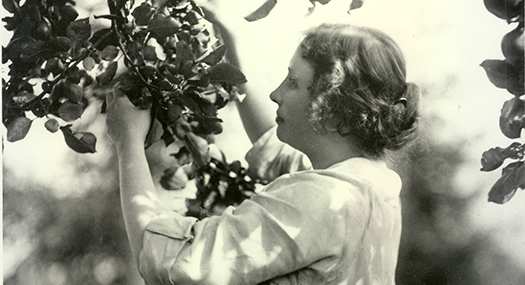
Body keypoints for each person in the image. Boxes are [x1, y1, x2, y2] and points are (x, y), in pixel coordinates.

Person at [105, 2, 420, 284]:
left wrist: (128, 142)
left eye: (293, 82)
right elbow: (272, 142)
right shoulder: (370, 189)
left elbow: (174, 263)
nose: (276, 94)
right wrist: (233, 36)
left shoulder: (321, 199)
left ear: (333, 113)